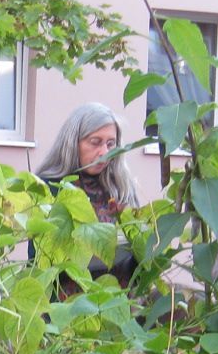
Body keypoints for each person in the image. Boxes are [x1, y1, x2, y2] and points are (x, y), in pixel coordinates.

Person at [35, 102, 140, 287]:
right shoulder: (49, 188)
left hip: (118, 301)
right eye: (95, 142)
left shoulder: (122, 188)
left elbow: (138, 258)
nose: (104, 152)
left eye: (111, 144)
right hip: (65, 305)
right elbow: (39, 259)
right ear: (73, 142)